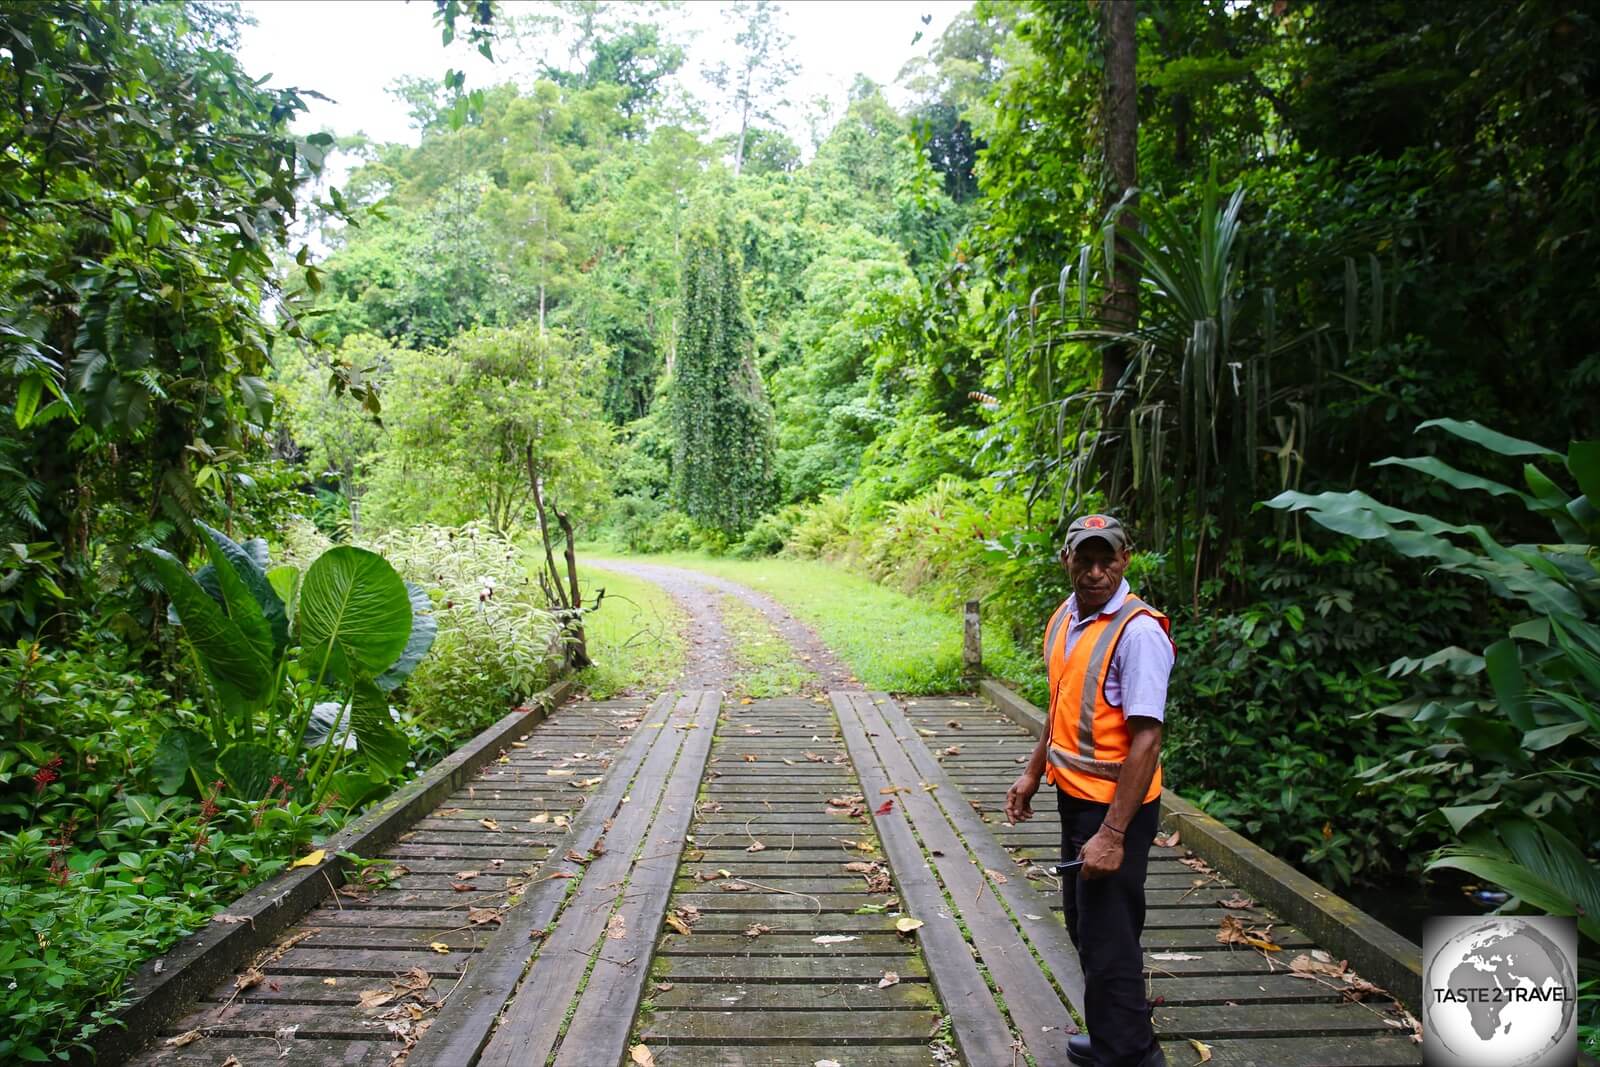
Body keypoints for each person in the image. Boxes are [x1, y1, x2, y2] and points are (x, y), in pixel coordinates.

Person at [1005, 513, 1173, 1067]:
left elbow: (1146, 740)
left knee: (1107, 935)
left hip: (1114, 810)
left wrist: (1114, 833)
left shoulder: (1139, 632)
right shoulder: (1067, 618)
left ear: (1126, 559)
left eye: (1108, 559)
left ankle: (1128, 1054)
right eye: (1085, 559)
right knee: (1089, 925)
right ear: (1067, 560)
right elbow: (1061, 707)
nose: (1096, 571)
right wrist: (1033, 773)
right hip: (1074, 799)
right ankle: (1115, 1037)